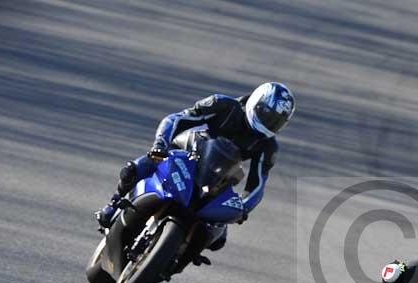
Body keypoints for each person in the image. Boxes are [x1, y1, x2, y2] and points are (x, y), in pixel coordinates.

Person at [95, 82, 296, 239]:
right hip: (187, 151)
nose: (268, 122)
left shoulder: (267, 147)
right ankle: (112, 204)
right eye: (266, 114)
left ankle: (178, 253)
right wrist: (161, 144)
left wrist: (244, 207)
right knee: (135, 168)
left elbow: (258, 184)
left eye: (275, 121)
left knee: (218, 238)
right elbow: (177, 119)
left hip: (217, 175)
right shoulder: (223, 105)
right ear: (255, 102)